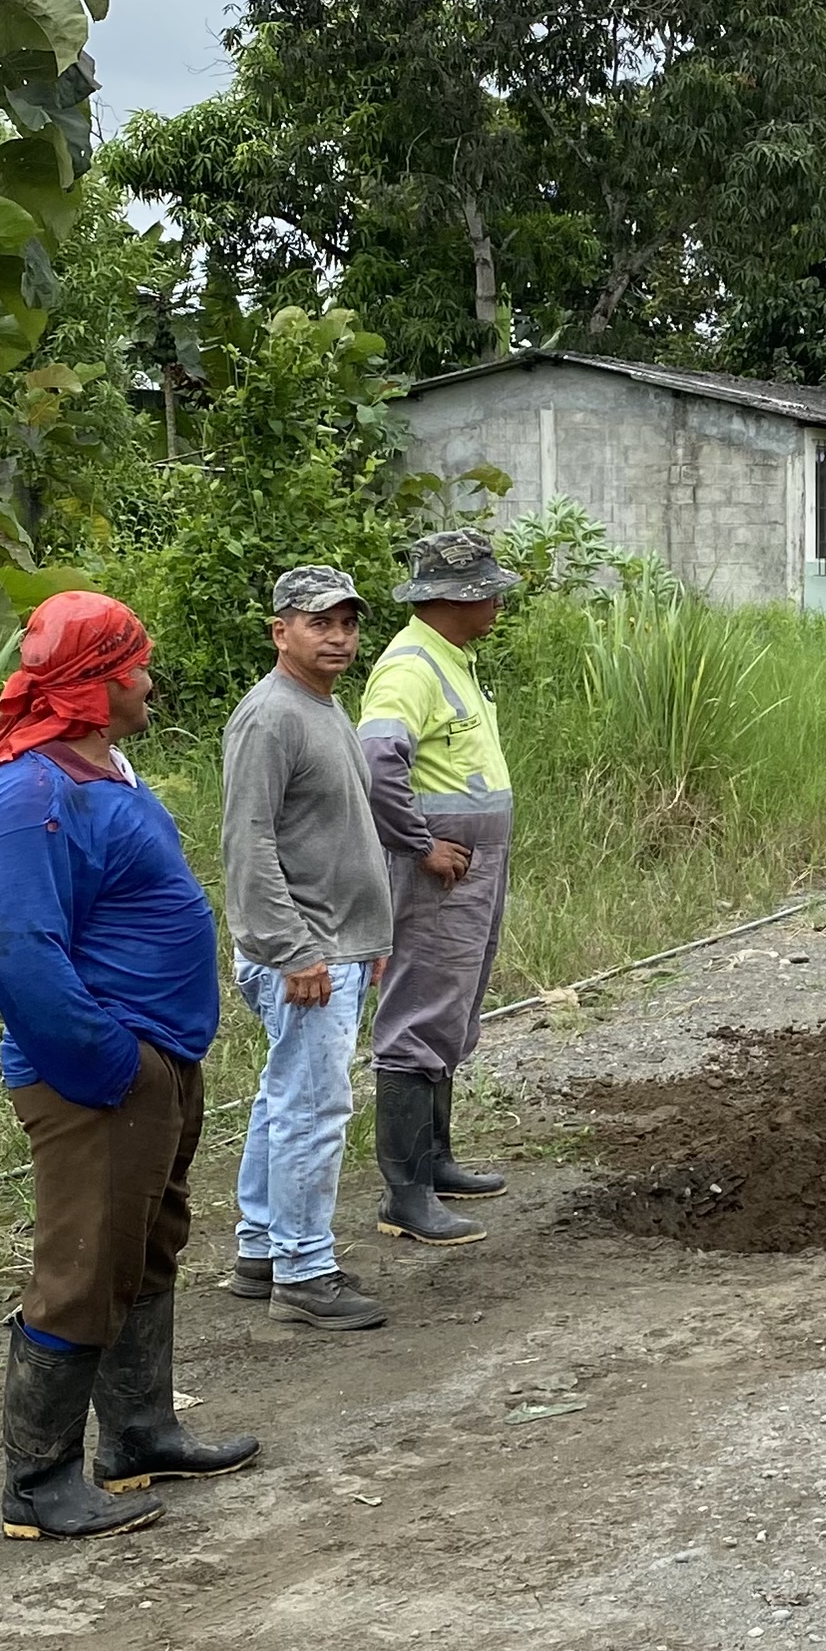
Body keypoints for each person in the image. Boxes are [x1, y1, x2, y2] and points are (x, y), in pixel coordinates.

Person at [0, 590, 259, 1541]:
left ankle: (138, 1435)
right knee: (83, 1266)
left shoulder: (101, 769)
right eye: (135, 665)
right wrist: (112, 1066)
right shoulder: (30, 794)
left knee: (143, 1246)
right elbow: (18, 949)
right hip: (98, 1073)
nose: (149, 680)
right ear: (96, 682)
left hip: (153, 1060)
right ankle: (38, 1483)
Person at [222, 564, 394, 1329]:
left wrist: (368, 936)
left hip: (337, 943)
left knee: (284, 1096)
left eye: (348, 623)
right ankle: (304, 1270)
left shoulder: (323, 705)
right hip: (305, 951)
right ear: (280, 630)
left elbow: (337, 830)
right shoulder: (270, 717)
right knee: (314, 1107)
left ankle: (263, 1248)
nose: (339, 637)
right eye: (320, 622)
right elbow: (249, 845)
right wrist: (292, 950)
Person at [356, 529, 519, 1242]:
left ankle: (436, 1162)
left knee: (452, 1004)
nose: (497, 602)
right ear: (457, 598)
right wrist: (419, 844)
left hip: (471, 859)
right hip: (443, 865)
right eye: (488, 591)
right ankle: (406, 1194)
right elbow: (376, 763)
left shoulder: (449, 659)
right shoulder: (410, 667)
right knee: (420, 1008)